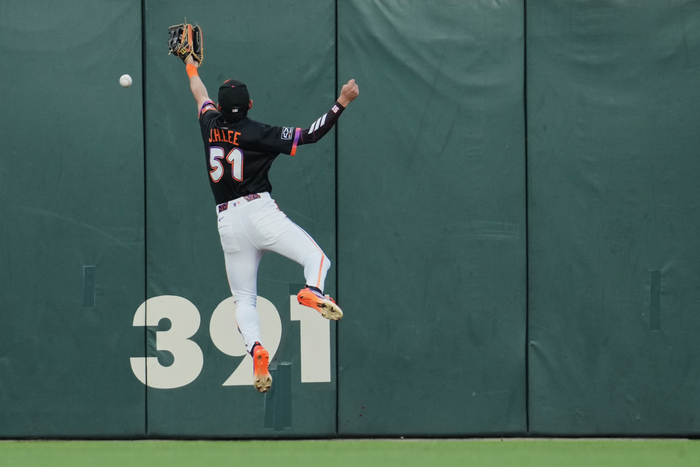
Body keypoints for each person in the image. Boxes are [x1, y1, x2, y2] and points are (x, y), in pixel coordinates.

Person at [181, 55, 359, 393]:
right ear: (250, 105)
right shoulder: (259, 132)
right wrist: (341, 102)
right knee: (317, 259)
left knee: (244, 300)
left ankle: (257, 349)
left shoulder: (209, 123)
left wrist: (190, 64)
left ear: (219, 106)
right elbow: (311, 135)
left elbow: (198, 91)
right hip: (259, 212)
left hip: (227, 221)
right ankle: (313, 291)